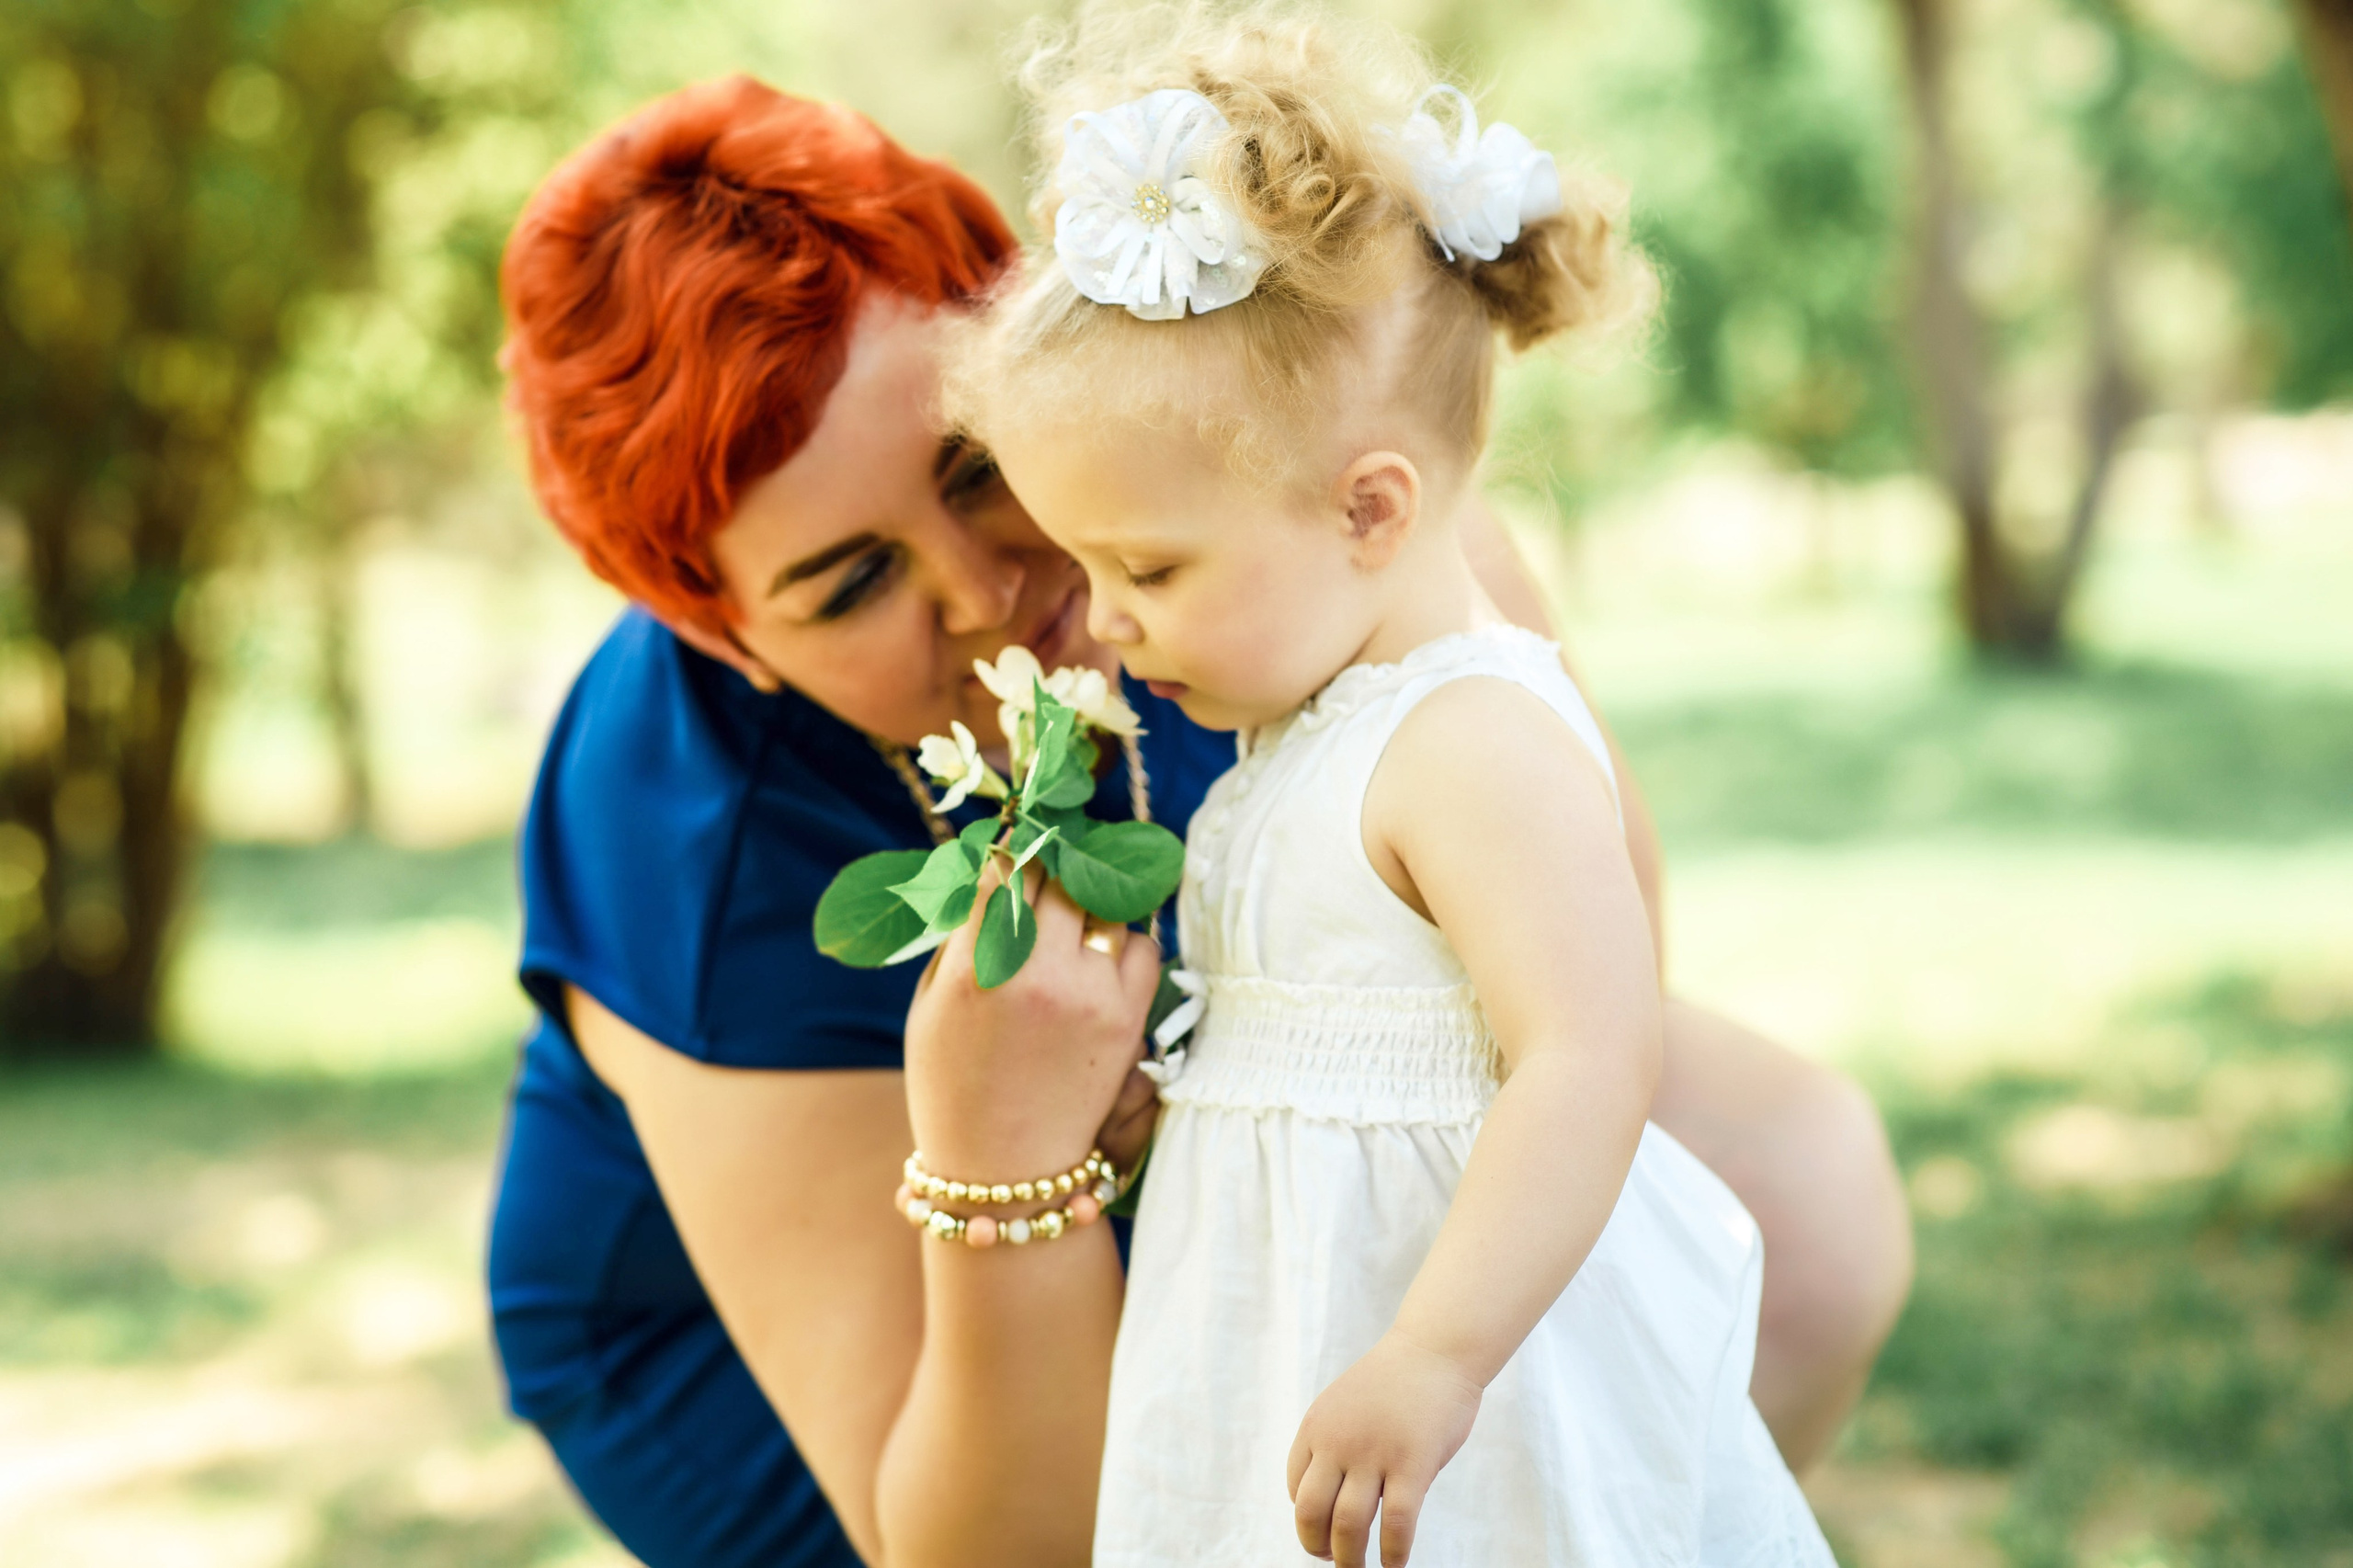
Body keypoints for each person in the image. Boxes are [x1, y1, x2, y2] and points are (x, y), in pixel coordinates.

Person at [485, 69, 1909, 1568]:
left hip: (1265, 1151)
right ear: (720, 632)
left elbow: (1579, 969)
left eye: (977, 472)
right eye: (847, 584)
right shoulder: (700, 843)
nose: (986, 599)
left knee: (1794, 1176)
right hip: (786, 1367)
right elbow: (980, 1554)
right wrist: (1003, 1156)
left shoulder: (1305, 465)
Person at [944, 12, 1837, 1565]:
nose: (1101, 618)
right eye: (1086, 563)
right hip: (1292, 1346)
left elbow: (1587, 1052)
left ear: (1371, 508)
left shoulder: (1471, 740)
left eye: (1146, 564)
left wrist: (1437, 1355)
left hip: (1465, 1388)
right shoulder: (1312, 730)